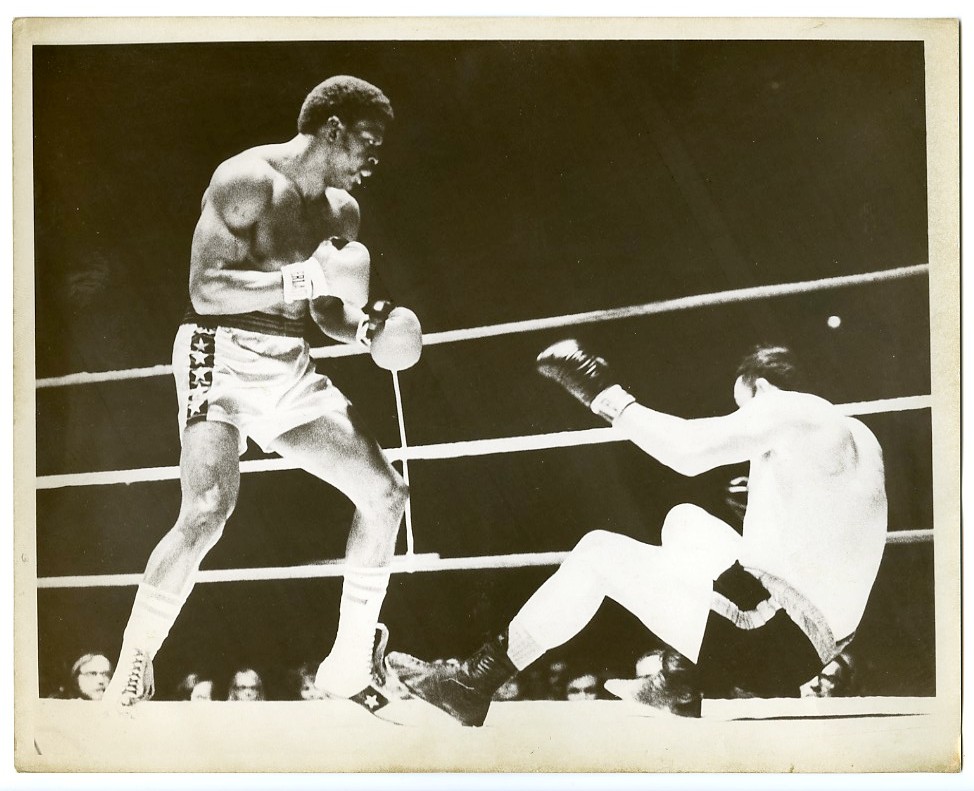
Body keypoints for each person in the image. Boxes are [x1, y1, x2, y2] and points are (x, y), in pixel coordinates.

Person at [103, 76, 422, 719]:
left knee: (386, 493)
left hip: (287, 365)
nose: (374, 157)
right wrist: (306, 275)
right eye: (367, 140)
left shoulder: (341, 213)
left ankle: (348, 664)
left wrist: (364, 330)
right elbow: (207, 291)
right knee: (208, 509)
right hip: (215, 352)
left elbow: (323, 309)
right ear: (332, 130)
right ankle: (134, 664)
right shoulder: (245, 179)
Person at [386, 341, 887, 725]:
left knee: (599, 552)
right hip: (808, 639)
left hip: (772, 638)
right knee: (685, 519)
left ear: (756, 386)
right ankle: (682, 680)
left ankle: (474, 682)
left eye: (740, 407)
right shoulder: (855, 433)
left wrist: (605, 396)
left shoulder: (787, 409)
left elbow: (687, 451)